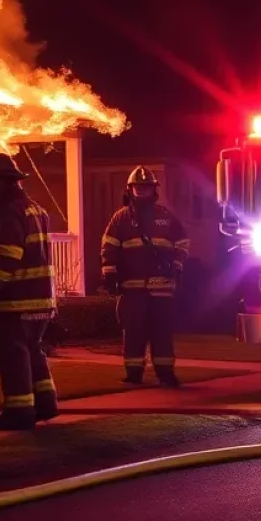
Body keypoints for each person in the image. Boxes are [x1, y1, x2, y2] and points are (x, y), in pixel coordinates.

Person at [0, 153, 59, 431]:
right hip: (41, 300)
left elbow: (7, 255)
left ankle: (19, 412)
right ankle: (45, 403)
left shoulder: (9, 212)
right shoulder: (37, 209)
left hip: (15, 300)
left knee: (11, 355)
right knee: (33, 351)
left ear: (2, 182)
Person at [100, 165, 190, 387]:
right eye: (138, 187)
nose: (142, 191)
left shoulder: (167, 218)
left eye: (146, 187)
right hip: (132, 290)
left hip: (162, 289)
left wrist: (177, 265)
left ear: (154, 190)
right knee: (133, 332)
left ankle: (166, 373)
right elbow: (108, 248)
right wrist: (109, 273)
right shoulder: (120, 219)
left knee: (162, 332)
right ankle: (133, 373)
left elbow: (183, 243)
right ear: (130, 190)